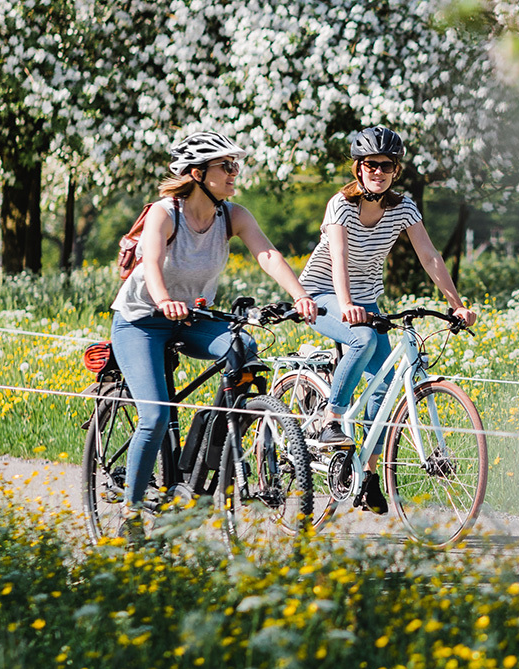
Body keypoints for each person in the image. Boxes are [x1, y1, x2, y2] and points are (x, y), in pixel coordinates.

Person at [109, 130, 318, 517]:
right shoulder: (164, 213)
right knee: (154, 415)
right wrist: (164, 301)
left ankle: (207, 455)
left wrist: (299, 294)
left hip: (191, 319)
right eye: (226, 166)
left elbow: (267, 254)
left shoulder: (232, 215)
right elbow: (151, 263)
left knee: (244, 349)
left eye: (235, 165)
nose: (234, 172)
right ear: (197, 173)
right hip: (140, 320)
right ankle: (131, 510)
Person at [296, 126, 477, 513]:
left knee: (383, 389)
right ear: (358, 167)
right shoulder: (340, 205)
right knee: (361, 340)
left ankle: (366, 476)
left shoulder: (404, 208)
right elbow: (339, 258)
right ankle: (332, 418)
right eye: (371, 164)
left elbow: (429, 256)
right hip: (322, 295)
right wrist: (345, 304)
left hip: (366, 302)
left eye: (388, 165)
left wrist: (457, 304)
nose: (379, 171)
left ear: (396, 170)